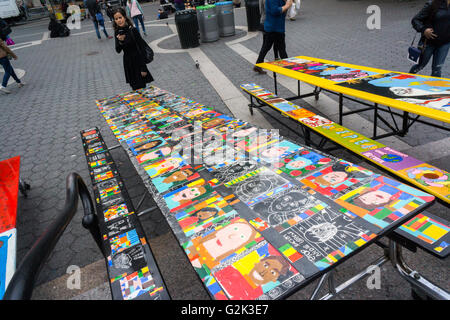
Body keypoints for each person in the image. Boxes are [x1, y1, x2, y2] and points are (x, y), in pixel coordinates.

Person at [113, 7, 154, 91]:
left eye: (120, 17)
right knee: (134, 89)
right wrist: (120, 41)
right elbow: (118, 50)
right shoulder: (117, 32)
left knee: (142, 88)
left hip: (138, 62)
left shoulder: (133, 30)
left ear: (124, 17)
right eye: (116, 19)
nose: (118, 20)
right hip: (128, 63)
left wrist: (143, 68)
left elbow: (142, 48)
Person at [409, 0, 450, 78]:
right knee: (420, 66)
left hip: (445, 43)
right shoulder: (432, 3)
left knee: (437, 69)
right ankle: (405, 81)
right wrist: (424, 30)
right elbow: (415, 20)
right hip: (428, 43)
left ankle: (434, 89)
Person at [254, 0, 292, 74]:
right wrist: (287, 5)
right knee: (280, 48)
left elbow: (283, 12)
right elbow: (275, 11)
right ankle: (288, 67)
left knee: (267, 47)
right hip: (273, 27)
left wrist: (286, 3)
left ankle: (258, 65)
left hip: (276, 27)